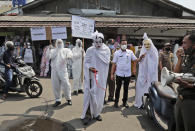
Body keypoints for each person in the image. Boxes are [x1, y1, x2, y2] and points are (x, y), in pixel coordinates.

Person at [81, 31, 110, 125]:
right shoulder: (90, 50)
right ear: (94, 41)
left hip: (101, 77)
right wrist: (90, 68)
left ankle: (97, 113)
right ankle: (87, 115)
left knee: (100, 96)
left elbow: (107, 61)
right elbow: (86, 62)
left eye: (100, 42)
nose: (98, 44)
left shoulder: (107, 50)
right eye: (96, 42)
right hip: (91, 77)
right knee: (90, 94)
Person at [111, 40, 145, 108]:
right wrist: (112, 74)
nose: (124, 45)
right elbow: (114, 64)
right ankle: (116, 102)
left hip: (127, 74)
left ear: (127, 45)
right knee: (118, 88)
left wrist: (140, 58)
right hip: (119, 74)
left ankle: (124, 102)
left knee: (126, 89)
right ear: (120, 45)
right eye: (123, 44)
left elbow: (135, 60)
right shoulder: (117, 53)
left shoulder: (130, 52)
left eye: (125, 44)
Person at [174, 34, 195, 131]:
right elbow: (176, 74)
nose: (182, 46)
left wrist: (189, 86)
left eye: (185, 43)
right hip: (181, 99)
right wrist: (179, 59)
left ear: (193, 45)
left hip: (191, 102)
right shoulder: (187, 58)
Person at [134, 33, 158, 109]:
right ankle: (140, 103)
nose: (147, 46)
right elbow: (136, 61)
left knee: (150, 88)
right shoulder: (140, 52)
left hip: (151, 75)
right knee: (140, 87)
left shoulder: (154, 52)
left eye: (148, 45)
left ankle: (150, 104)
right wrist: (141, 58)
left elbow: (155, 62)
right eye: (145, 45)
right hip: (142, 74)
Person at [46, 39, 73, 107]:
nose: (59, 44)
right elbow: (48, 57)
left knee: (66, 84)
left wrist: (68, 56)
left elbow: (70, 54)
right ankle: (58, 100)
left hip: (63, 70)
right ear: (56, 43)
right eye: (58, 42)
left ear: (62, 43)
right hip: (54, 70)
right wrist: (48, 50)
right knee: (56, 85)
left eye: (60, 42)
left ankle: (68, 99)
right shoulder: (53, 50)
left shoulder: (66, 50)